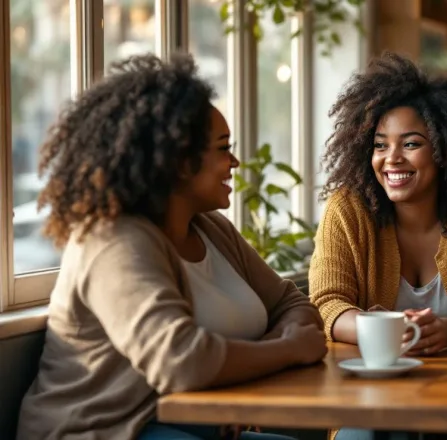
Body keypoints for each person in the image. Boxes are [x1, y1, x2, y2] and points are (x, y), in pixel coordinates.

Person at [16, 54, 327, 440]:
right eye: (222, 148)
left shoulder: (212, 229)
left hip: (184, 423)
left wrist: (245, 370)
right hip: (105, 432)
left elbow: (291, 304)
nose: (235, 162)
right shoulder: (112, 241)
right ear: (180, 161)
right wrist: (289, 350)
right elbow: (181, 361)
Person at [308, 52, 447, 439]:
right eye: (380, 145)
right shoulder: (347, 210)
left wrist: (446, 331)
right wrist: (379, 329)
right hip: (368, 397)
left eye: (411, 144)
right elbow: (326, 304)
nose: (391, 159)